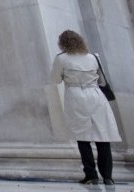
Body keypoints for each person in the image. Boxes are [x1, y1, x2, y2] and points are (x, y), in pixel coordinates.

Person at [50, 30, 120, 185]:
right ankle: (107, 176)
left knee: (82, 137)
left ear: (62, 43)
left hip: (76, 96)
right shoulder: (93, 57)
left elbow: (55, 79)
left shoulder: (61, 58)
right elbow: (102, 81)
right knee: (103, 137)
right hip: (96, 95)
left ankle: (91, 175)